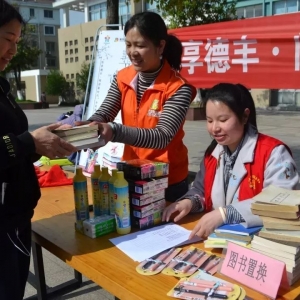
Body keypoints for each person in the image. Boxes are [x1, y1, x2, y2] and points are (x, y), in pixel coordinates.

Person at [76, 12, 197, 202]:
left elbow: (162, 137)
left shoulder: (178, 88)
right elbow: (105, 111)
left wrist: (114, 131)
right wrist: (88, 126)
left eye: (140, 45)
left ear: (160, 46)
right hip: (133, 174)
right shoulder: (123, 78)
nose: (133, 52)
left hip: (167, 182)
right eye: (128, 44)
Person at [0, 2, 77, 299]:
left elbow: (14, 144)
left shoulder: (2, 89)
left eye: (17, 42)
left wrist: (44, 141)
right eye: (8, 39)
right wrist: (28, 142)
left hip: (15, 218)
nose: (13, 49)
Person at [162, 83, 299, 239]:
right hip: (218, 240)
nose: (214, 128)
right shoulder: (213, 154)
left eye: (222, 119)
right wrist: (189, 202)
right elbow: (201, 190)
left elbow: (283, 203)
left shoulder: (273, 153)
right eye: (209, 120)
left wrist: (226, 214)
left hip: (260, 243)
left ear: (245, 116)